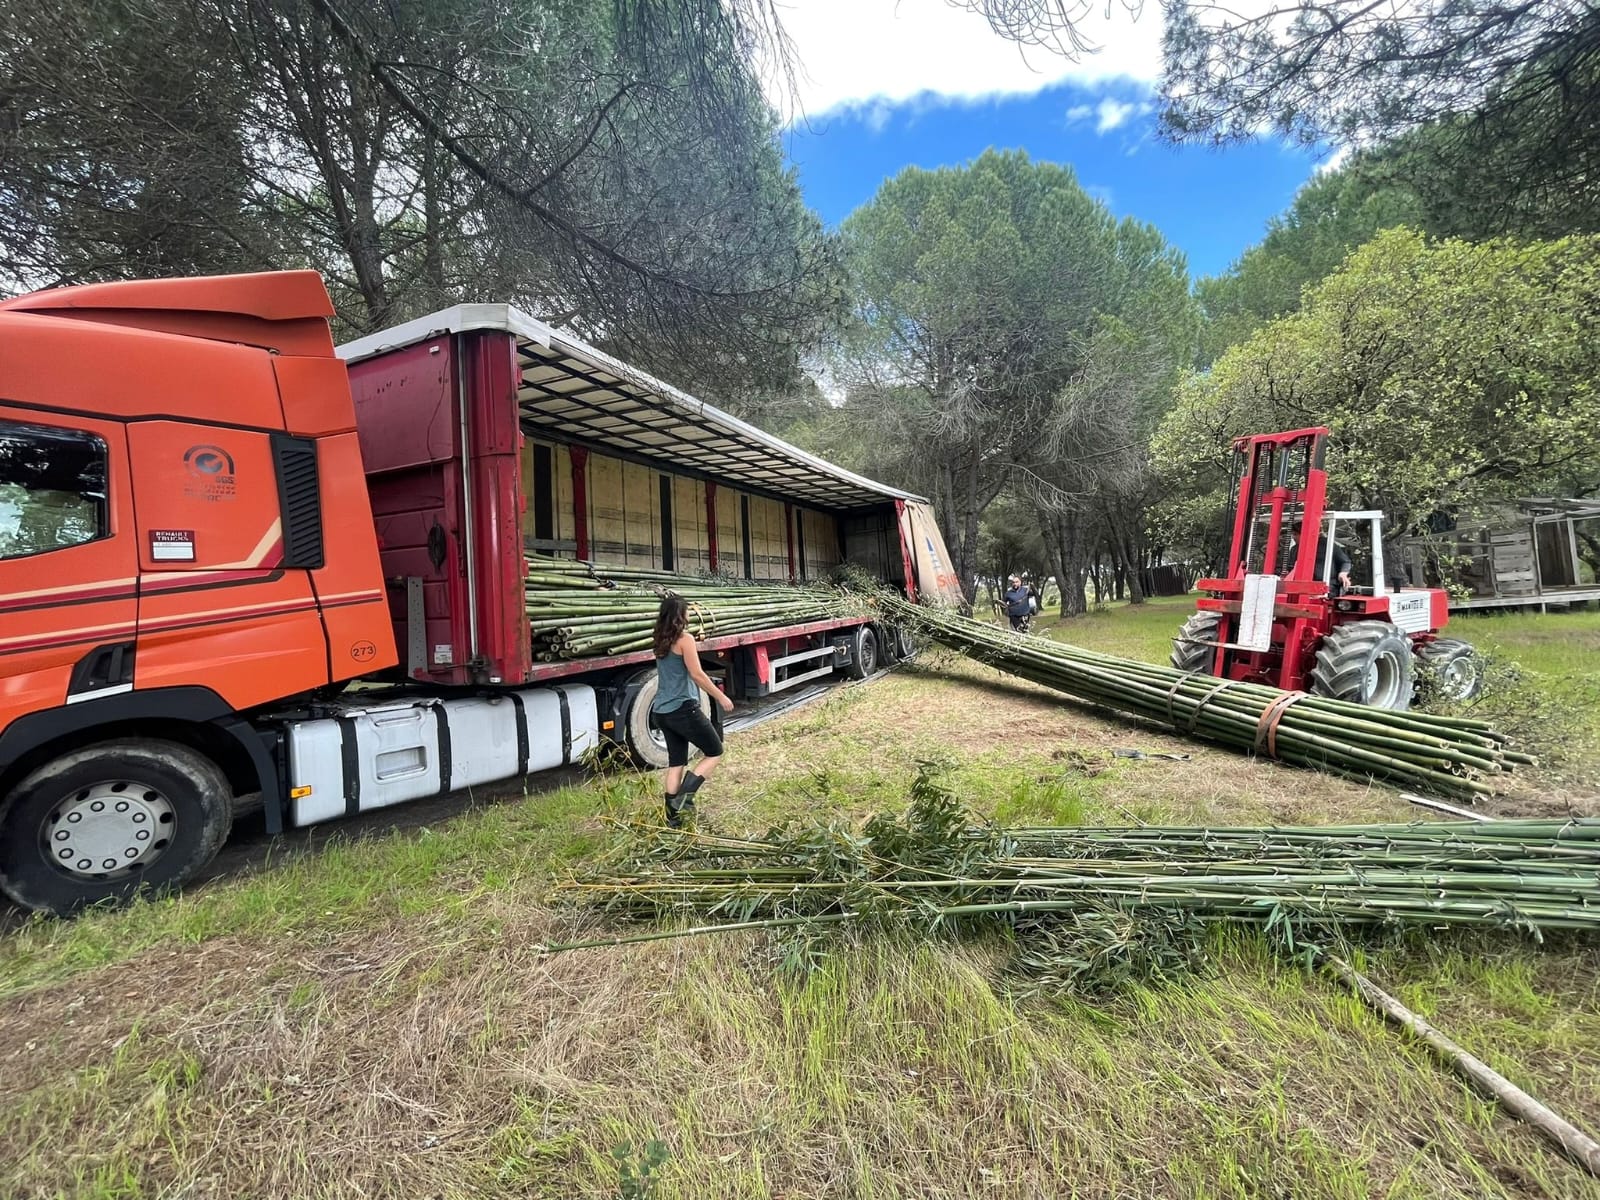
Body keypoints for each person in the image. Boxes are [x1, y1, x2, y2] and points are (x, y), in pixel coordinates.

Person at [651, 594, 734, 828]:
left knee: (676, 762)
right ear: (681, 615)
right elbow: (697, 674)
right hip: (682, 708)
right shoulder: (684, 639)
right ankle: (683, 802)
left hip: (662, 711)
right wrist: (721, 696)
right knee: (715, 750)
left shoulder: (658, 639)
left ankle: (673, 820)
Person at [1291, 521, 1353, 595]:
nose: (1293, 537)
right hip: (1302, 586)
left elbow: (1345, 561)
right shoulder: (1294, 549)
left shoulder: (1326, 544)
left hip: (1327, 586)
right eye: (1293, 534)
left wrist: (1343, 573)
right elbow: (1291, 568)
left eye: (1296, 534)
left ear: (1305, 533)